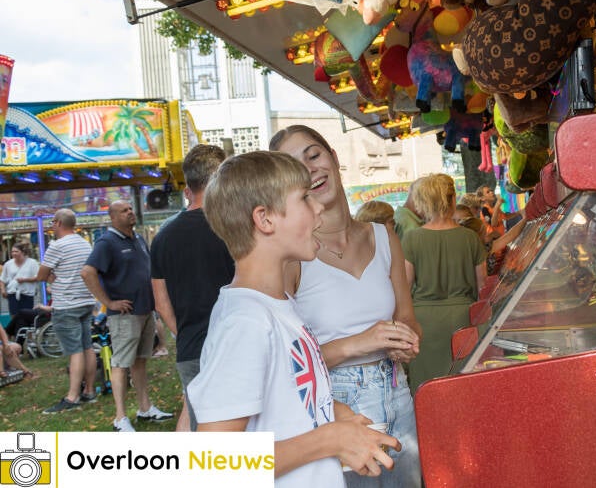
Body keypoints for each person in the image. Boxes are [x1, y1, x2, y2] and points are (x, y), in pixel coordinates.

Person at [187, 151, 400, 486]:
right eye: (304, 198)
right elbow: (214, 461)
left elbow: (288, 397)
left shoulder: (281, 307)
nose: (318, 207)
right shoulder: (246, 322)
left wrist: (336, 415)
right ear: (265, 219)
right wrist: (329, 439)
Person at [271, 125, 423, 488]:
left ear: (334, 158)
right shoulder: (293, 256)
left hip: (397, 393)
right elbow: (282, 364)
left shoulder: (384, 236)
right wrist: (360, 342)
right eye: (297, 167)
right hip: (334, 408)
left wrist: (406, 338)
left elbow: (407, 317)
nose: (312, 169)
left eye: (314, 155)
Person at [151, 144, 234, 431]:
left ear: (189, 185)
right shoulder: (234, 228)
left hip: (190, 349)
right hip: (235, 344)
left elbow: (161, 304)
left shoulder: (162, 237)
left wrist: (185, 333)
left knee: (205, 435)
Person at [81, 200, 174, 432]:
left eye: (131, 209)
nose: (130, 212)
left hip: (144, 310)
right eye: (124, 211)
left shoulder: (138, 238)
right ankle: (120, 418)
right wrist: (108, 302)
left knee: (140, 361)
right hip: (125, 315)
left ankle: (145, 408)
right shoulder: (106, 242)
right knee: (121, 363)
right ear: (112, 217)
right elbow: (87, 272)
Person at [403, 174, 487, 391]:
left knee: (427, 390)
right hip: (462, 321)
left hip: (423, 325)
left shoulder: (412, 238)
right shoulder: (470, 237)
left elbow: (404, 287)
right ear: (452, 200)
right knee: (462, 388)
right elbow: (482, 287)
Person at [31, 209, 97, 412]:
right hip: (86, 301)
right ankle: (90, 391)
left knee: (74, 351)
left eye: (52, 221)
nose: (51, 224)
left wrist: (51, 277)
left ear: (59, 223)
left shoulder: (56, 246)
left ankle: (72, 397)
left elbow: (41, 275)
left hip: (66, 304)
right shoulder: (84, 243)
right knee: (87, 346)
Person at [0, 242, 40, 316]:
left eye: (16, 251)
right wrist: (3, 290)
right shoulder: (8, 264)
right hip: (12, 293)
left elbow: (38, 277)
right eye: (12, 251)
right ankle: (15, 328)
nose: (14, 253)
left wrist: (25, 280)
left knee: (27, 316)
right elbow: (2, 279)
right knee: (14, 315)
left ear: (23, 252)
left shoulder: (32, 263)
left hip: (27, 293)